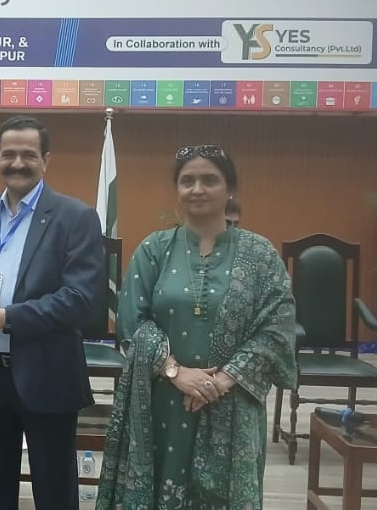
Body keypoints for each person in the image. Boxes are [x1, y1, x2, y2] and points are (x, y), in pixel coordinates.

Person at [97, 145, 297, 509]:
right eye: (187, 181)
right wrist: (176, 372)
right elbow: (132, 320)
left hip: (233, 401)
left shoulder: (261, 255)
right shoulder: (154, 249)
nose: (197, 189)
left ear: (230, 188)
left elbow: (277, 327)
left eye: (209, 180)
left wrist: (220, 381)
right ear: (177, 189)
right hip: (163, 399)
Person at [0, 116, 104, 509]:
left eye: (29, 155)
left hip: (47, 373)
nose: (17, 163)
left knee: (55, 493)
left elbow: (80, 299)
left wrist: (7, 318)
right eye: (9, 154)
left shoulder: (76, 216)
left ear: (46, 160)